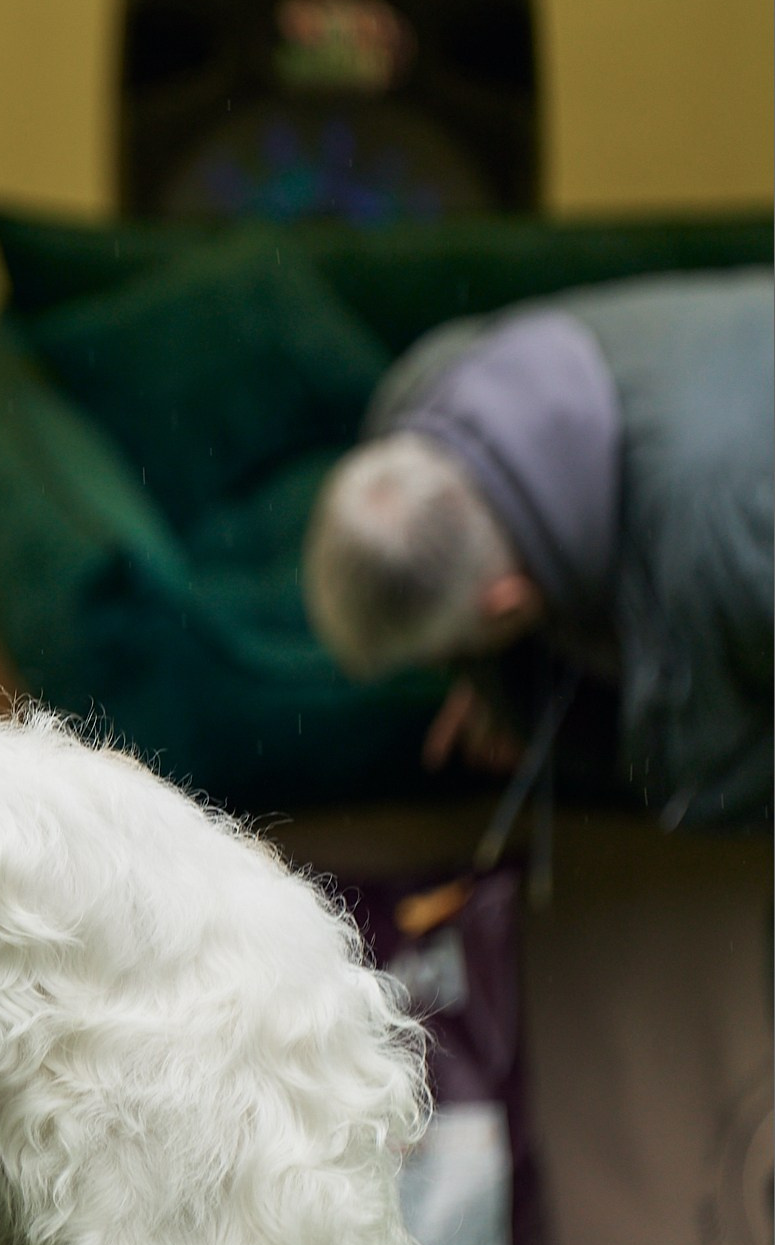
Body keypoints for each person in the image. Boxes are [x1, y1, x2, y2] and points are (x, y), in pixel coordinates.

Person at [302, 270, 772, 831]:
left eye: (450, 653)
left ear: (510, 606)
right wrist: (497, 680)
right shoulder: (429, 392)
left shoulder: (729, 538)